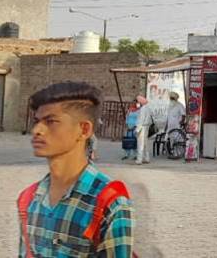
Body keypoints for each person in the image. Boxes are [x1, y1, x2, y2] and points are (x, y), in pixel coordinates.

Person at [18, 82, 134, 257]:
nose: (37, 130)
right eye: (36, 122)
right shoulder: (28, 199)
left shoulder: (110, 203)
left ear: (84, 129)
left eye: (51, 121)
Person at [135, 95, 155, 165]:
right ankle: (146, 158)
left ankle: (139, 159)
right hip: (146, 127)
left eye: (137, 102)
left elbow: (141, 120)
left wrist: (137, 130)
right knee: (145, 144)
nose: (137, 103)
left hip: (142, 127)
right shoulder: (148, 107)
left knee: (140, 144)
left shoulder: (143, 109)